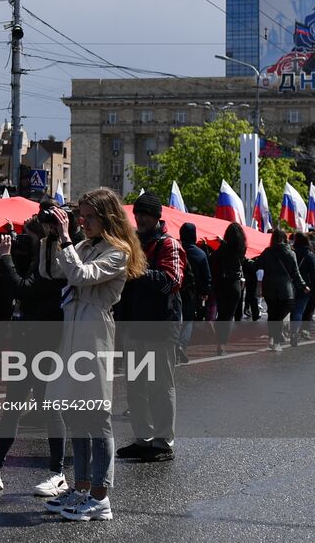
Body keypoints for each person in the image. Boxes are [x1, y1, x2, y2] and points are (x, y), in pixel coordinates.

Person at [40, 187, 145, 523]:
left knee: (97, 418)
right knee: (75, 413)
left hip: (94, 331)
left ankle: (101, 497)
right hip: (72, 330)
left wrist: (67, 240)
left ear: (107, 217)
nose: (82, 222)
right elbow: (52, 273)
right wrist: (50, 238)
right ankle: (83, 488)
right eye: (80, 217)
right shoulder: (84, 244)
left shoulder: (118, 251)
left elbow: (81, 275)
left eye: (88, 217)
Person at [0, 209, 67, 497]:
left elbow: (22, 290)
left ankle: (58, 473)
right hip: (28, 343)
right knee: (12, 405)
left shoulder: (54, 264)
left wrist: (6, 257)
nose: (22, 242)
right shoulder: (37, 261)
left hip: (49, 344)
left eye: (28, 236)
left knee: (50, 409)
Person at [116, 190, 183, 463]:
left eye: (145, 214)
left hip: (160, 327)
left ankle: (163, 442)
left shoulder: (169, 245)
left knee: (159, 386)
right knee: (135, 386)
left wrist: (136, 268)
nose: (139, 218)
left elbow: (172, 280)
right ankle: (142, 438)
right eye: (137, 214)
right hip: (133, 326)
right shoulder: (131, 243)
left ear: (156, 217)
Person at [256, 228, 307, 351]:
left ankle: (272, 339)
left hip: (269, 287)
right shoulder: (290, 253)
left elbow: (256, 265)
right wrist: (303, 285)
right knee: (280, 314)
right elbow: (296, 273)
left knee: (272, 313)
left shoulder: (267, 252)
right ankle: (276, 341)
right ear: (285, 238)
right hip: (285, 288)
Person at [176, 222, 210, 363]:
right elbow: (206, 276)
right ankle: (182, 346)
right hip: (191, 292)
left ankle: (173, 344)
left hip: (175, 289)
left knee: (175, 318)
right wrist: (204, 291)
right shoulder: (201, 254)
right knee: (188, 320)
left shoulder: (175, 248)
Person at [211, 223, 246, 354]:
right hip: (235, 284)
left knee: (221, 313)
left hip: (221, 283)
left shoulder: (223, 248)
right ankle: (222, 344)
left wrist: (221, 243)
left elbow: (213, 257)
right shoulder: (242, 248)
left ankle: (219, 338)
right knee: (229, 316)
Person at [289, 233, 315, 347]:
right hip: (305, 286)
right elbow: (314, 273)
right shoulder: (309, 254)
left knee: (290, 309)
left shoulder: (292, 252)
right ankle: (294, 333)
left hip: (291, 284)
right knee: (299, 310)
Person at [242, 253, 262, 321]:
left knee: (247, 294)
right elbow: (256, 266)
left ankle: (247, 309)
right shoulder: (254, 252)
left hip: (244, 274)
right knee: (252, 294)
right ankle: (254, 313)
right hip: (250, 274)